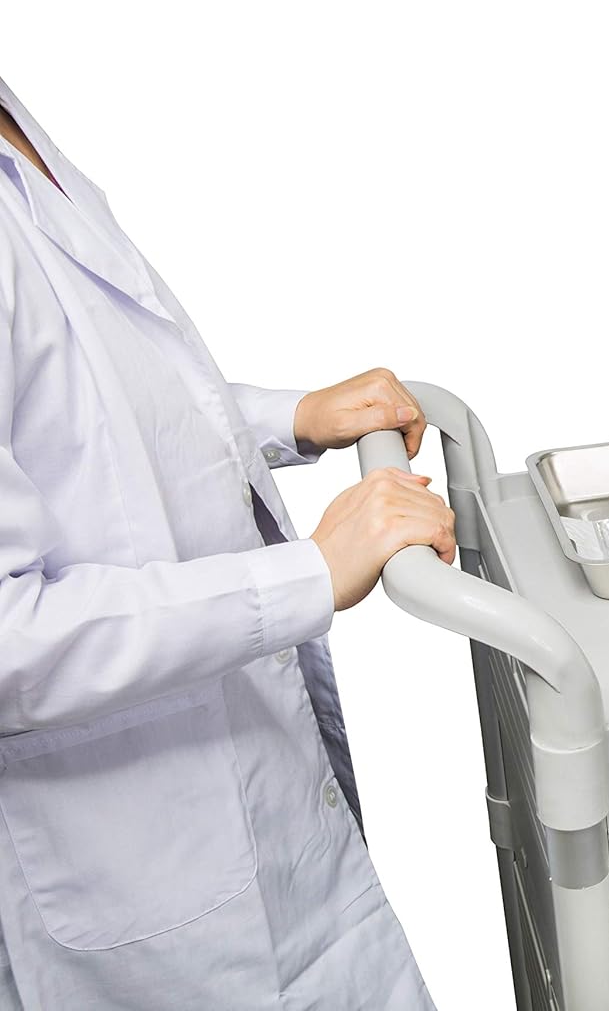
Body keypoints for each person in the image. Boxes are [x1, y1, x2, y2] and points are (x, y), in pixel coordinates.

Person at [0, 76, 452, 1007]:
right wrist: (308, 574)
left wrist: (294, 417)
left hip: (264, 813)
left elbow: (90, 428)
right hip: (152, 890)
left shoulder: (15, 120)